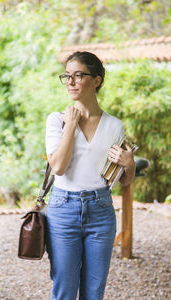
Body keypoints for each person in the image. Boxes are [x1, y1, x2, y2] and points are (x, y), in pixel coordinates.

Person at [45, 51, 135, 300]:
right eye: (67, 76)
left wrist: (130, 165)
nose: (70, 82)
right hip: (63, 210)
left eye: (78, 75)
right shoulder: (57, 121)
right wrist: (71, 125)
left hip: (100, 211)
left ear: (96, 80)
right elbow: (59, 167)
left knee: (94, 292)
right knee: (64, 288)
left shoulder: (114, 126)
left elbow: (120, 181)